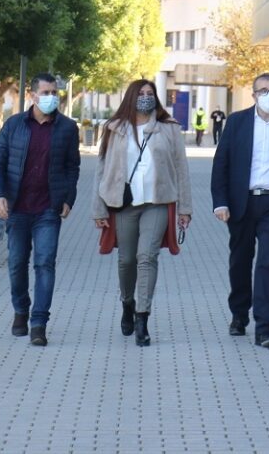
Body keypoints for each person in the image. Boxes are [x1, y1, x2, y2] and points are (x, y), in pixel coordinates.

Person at [211, 73, 269, 348]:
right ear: (253, 95)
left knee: (268, 263)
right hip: (241, 203)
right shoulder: (237, 122)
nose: (268, 95)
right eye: (262, 90)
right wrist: (220, 202)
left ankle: (265, 327)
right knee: (240, 261)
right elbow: (222, 164)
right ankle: (239, 314)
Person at [93, 80, 192, 346]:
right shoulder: (114, 128)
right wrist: (98, 208)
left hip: (158, 202)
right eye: (141, 94)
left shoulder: (168, 128)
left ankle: (142, 318)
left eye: (150, 94)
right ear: (131, 97)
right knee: (126, 260)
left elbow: (181, 169)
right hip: (124, 204)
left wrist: (185, 208)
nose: (146, 98)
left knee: (146, 257)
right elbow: (102, 170)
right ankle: (127, 302)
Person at [0, 73, 81, 347]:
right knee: (17, 262)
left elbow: (72, 167)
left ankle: (39, 323)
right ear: (32, 95)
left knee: (45, 263)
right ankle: (21, 308)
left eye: (55, 92)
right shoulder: (15, 125)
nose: (52, 97)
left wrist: (68, 199)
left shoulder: (67, 128)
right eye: (46, 92)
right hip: (17, 208)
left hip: (48, 210)